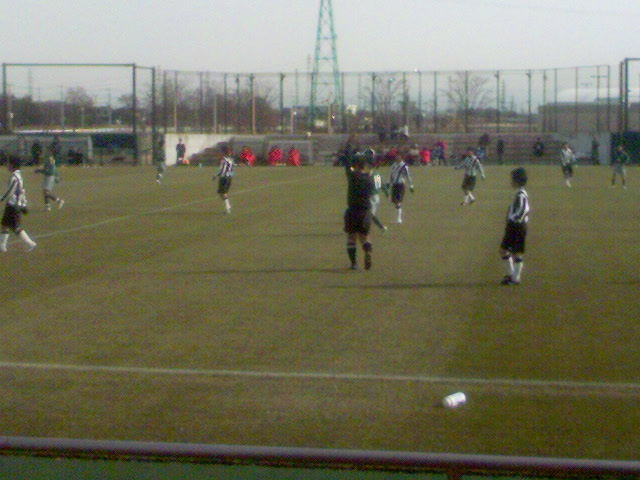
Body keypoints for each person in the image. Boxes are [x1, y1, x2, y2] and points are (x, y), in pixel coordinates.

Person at [344, 155, 375, 270]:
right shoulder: (369, 178)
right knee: (365, 237)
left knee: (351, 237)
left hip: (353, 210)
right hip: (365, 211)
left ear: (356, 165)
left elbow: (347, 166)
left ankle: (354, 264)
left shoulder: (352, 176)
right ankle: (367, 252)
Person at [0, 156, 37, 253]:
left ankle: (30, 243)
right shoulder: (18, 176)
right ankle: (2, 246)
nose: (7, 166)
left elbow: (10, 192)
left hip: (13, 205)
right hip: (13, 204)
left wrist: (1, 199)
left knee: (15, 227)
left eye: (8, 164)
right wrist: (24, 203)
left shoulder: (14, 177)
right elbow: (21, 191)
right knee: (5, 224)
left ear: (13, 165)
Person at [500, 168, 530, 286]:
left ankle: (515, 278)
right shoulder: (518, 193)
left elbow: (523, 211)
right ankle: (511, 274)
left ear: (517, 181)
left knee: (516, 252)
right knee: (503, 250)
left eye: (512, 179)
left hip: (518, 226)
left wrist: (512, 218)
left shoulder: (521, 195)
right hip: (513, 225)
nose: (510, 182)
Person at [364, 149, 387, 234]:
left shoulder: (370, 174)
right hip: (375, 196)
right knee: (368, 214)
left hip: (372, 196)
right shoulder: (376, 173)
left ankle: (382, 227)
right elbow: (379, 185)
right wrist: (386, 193)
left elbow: (376, 186)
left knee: (369, 214)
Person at [388, 154, 414, 224]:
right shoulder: (394, 165)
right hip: (394, 185)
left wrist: (411, 186)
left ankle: (399, 219)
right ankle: (397, 218)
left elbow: (408, 176)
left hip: (401, 185)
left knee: (398, 201)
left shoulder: (404, 166)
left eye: (398, 157)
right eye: (396, 157)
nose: (396, 158)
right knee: (395, 201)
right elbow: (391, 174)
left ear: (401, 158)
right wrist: (389, 182)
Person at [215, 144, 235, 214]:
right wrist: (230, 174)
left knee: (222, 193)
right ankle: (228, 206)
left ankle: (228, 207)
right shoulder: (231, 159)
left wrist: (215, 176)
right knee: (222, 193)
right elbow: (232, 169)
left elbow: (222, 170)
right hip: (229, 177)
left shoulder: (224, 160)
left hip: (224, 178)